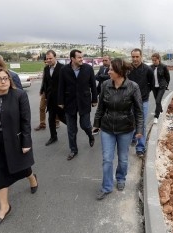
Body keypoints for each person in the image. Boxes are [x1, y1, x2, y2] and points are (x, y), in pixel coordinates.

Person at [0, 68, 38, 227]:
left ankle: (32, 178)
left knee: (22, 168)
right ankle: (4, 207)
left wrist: (26, 142)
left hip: (16, 140)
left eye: (6, 78)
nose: (4, 81)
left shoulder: (19, 95)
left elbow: (26, 120)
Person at [93, 58, 144, 200]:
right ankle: (107, 186)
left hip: (126, 129)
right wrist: (96, 125)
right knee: (107, 159)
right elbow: (101, 107)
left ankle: (121, 178)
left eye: (111, 69)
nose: (108, 71)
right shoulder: (105, 85)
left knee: (122, 159)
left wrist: (139, 129)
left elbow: (139, 111)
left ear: (119, 72)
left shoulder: (133, 87)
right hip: (107, 128)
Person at [58, 49, 98, 160]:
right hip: (69, 102)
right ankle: (73, 150)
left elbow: (93, 85)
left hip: (84, 101)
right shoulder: (64, 70)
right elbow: (61, 86)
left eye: (82, 57)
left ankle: (90, 136)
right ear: (72, 59)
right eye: (79, 57)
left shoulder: (88, 69)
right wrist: (60, 101)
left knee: (85, 125)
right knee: (71, 129)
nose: (82, 59)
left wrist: (94, 99)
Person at [128, 48, 154, 158]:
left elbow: (152, 84)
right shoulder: (127, 69)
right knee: (130, 122)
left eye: (137, 57)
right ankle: (133, 137)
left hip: (143, 101)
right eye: (133, 57)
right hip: (129, 101)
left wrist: (144, 93)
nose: (135, 59)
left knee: (141, 124)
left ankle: (140, 148)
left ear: (141, 57)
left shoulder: (148, 69)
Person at [41, 50, 67, 146]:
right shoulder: (46, 69)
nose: (48, 60)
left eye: (50, 58)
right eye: (47, 59)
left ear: (55, 57)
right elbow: (46, 83)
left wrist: (64, 99)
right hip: (50, 98)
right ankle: (53, 137)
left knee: (62, 117)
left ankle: (72, 128)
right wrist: (46, 95)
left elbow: (67, 84)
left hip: (60, 99)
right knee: (51, 118)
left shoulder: (63, 68)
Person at [150, 53, 170, 124]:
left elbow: (167, 77)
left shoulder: (164, 66)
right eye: (152, 60)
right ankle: (160, 109)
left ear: (159, 59)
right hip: (154, 87)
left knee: (158, 101)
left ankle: (156, 116)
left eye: (155, 60)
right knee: (157, 101)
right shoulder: (151, 67)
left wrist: (166, 85)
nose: (154, 62)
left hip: (161, 87)